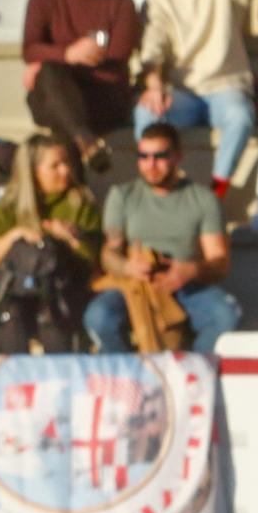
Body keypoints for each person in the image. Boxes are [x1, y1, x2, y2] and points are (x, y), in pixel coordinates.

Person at [137, 0, 258, 197]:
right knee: (146, 114)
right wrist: (154, 83)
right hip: (183, 91)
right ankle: (158, 190)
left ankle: (217, 191)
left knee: (240, 117)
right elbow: (153, 43)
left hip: (226, 86)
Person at [86, 122, 240, 354]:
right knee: (99, 317)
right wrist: (129, 267)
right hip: (137, 283)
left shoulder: (203, 199)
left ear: (178, 157)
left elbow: (220, 261)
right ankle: (130, 377)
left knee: (225, 314)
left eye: (160, 156)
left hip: (186, 284)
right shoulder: (123, 195)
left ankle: (191, 372)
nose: (151, 165)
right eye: (143, 156)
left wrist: (190, 271)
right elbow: (109, 253)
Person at [20, 0, 135, 174]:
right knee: (54, 78)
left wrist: (50, 61)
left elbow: (118, 56)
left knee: (60, 104)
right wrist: (68, 54)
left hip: (103, 99)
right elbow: (29, 48)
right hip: (57, 94)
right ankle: (88, 143)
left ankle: (82, 153)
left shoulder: (120, 2)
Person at [0, 132, 101, 352]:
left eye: (66, 163)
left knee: (49, 315)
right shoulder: (10, 207)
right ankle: (13, 380)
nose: (65, 170)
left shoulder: (80, 202)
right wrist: (16, 234)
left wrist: (71, 237)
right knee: (11, 315)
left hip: (65, 292)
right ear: (33, 172)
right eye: (55, 166)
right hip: (21, 293)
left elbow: (94, 258)